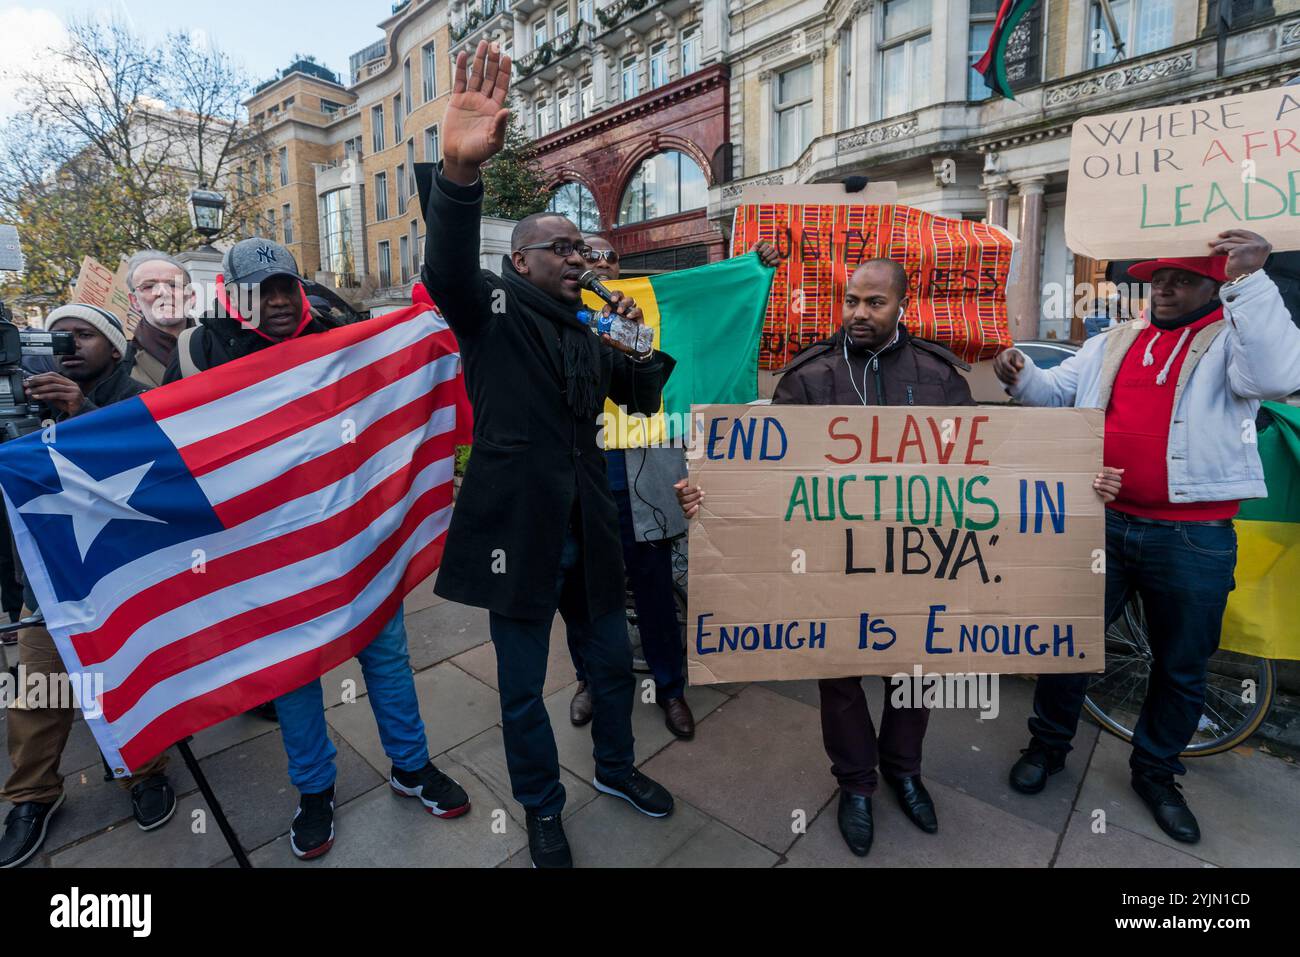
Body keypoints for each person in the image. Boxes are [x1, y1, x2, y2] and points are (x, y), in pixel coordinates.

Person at [676, 259, 1122, 858]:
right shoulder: (808, 377)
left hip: (922, 564)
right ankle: (856, 785)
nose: (859, 313)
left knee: (915, 674)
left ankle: (904, 772)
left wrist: (1078, 486)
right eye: (851, 301)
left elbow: (988, 468)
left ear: (900, 306)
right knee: (838, 681)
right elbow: (765, 472)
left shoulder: (940, 375)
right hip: (834, 565)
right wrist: (712, 494)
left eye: (874, 303)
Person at [422, 39, 675, 868]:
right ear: (521, 260)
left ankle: (613, 769)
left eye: (584, 249)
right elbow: (446, 268)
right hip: (518, 530)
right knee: (525, 690)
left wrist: (636, 347)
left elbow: (637, 405)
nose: (579, 258)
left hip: (591, 528)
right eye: (562, 249)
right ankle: (540, 804)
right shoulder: (490, 305)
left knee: (608, 666)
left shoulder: (591, 327)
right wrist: (460, 173)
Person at [165, 238, 470, 860]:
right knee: (295, 678)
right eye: (261, 291)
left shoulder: (338, 322)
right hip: (271, 553)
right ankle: (314, 790)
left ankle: (410, 766)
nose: (277, 300)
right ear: (232, 294)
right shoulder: (199, 353)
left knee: (387, 656)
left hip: (358, 536)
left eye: (285, 286)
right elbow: (168, 447)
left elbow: (395, 379)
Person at [996, 228, 1300, 844]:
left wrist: (1250, 280)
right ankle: (1048, 749)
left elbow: (1275, 375)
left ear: (1214, 285)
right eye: (1158, 277)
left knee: (1182, 666)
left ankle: (1157, 773)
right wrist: (1023, 371)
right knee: (1068, 645)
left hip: (1192, 537)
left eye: (1181, 279)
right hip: (1102, 523)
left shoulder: (1233, 342)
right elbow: (1057, 394)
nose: (1163, 286)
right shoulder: (1116, 340)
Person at [0, 304, 177, 868]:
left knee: (128, 677)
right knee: (37, 691)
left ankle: (143, 773)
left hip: (117, 575)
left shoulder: (134, 394)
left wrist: (81, 410)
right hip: (46, 580)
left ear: (112, 343)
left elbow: (152, 462)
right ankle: (31, 797)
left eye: (81, 335)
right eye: (55, 339)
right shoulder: (20, 398)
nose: (68, 347)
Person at [122, 250, 195, 388]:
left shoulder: (224, 347)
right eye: (149, 286)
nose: (164, 292)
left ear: (191, 296)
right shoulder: (117, 364)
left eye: (174, 285)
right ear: (134, 301)